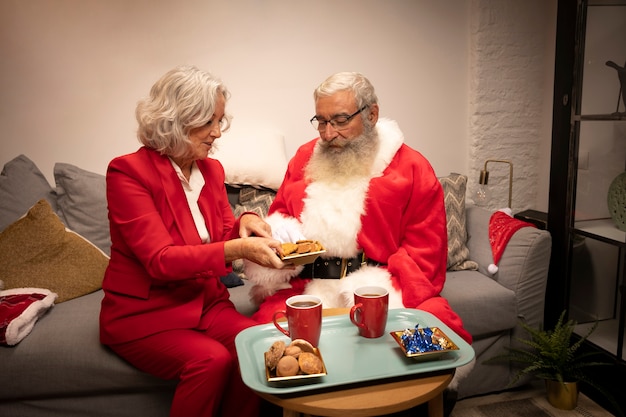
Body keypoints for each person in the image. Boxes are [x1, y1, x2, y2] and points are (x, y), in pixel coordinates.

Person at [99, 65, 286, 417]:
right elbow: (161, 260)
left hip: (205, 303)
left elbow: (224, 236)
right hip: (145, 314)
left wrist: (245, 221)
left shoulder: (211, 170)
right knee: (210, 360)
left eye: (219, 121)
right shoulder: (127, 173)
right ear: (176, 120)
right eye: (208, 123)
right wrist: (239, 248)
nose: (217, 133)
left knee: (256, 348)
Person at [244, 71, 472, 346]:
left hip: (382, 287)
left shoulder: (412, 168)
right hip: (306, 286)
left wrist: (380, 287)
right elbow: (279, 221)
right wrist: (282, 241)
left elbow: (426, 251)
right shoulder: (304, 158)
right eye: (321, 122)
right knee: (265, 349)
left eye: (340, 121)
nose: (329, 134)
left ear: (371, 115)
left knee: (434, 342)